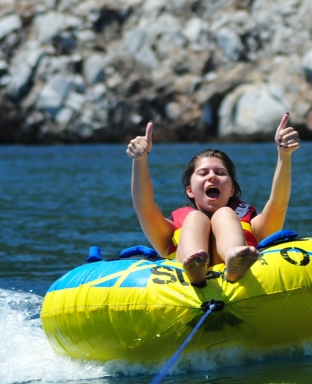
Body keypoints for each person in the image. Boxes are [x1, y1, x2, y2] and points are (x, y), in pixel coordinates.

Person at [126, 114, 301, 286]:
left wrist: (284, 155)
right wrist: (140, 160)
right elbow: (144, 207)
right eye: (203, 173)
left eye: (220, 173)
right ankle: (194, 265)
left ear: (231, 190)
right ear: (190, 190)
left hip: (238, 279)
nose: (212, 177)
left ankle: (235, 258)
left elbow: (278, 203)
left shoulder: (255, 228)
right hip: (183, 289)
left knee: (225, 213)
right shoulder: (169, 233)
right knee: (195, 218)